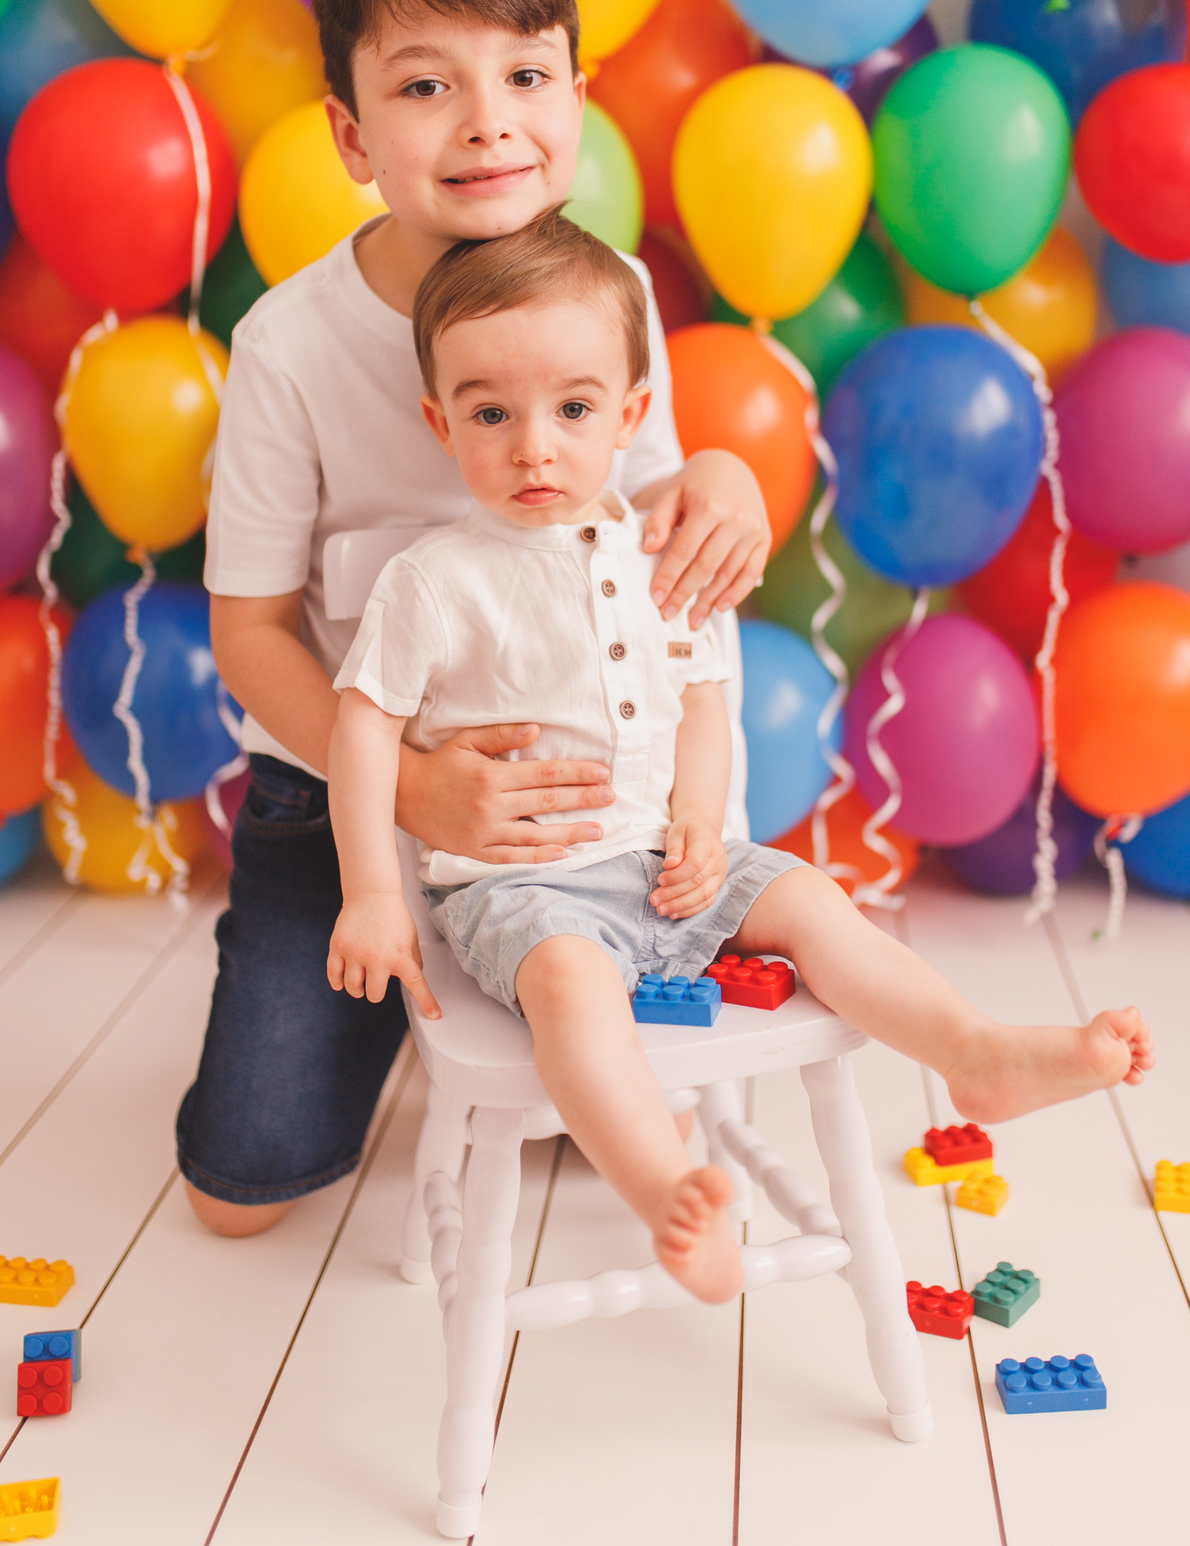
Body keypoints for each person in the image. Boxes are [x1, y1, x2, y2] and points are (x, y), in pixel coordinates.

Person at [327, 211, 1155, 1305]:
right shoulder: (437, 579)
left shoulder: (664, 553)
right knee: (573, 988)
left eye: (572, 410)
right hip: (524, 883)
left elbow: (703, 702)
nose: (534, 445)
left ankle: (975, 1052)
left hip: (672, 862)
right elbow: (362, 727)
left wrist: (701, 821)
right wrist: (372, 894)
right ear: (442, 422)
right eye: (492, 412)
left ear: (630, 416)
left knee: (813, 903)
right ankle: (667, 1185)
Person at [180, 0, 772, 1236]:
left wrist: (720, 473)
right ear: (351, 133)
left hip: (582, 815)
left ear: (577, 97)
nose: (489, 119)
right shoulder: (290, 343)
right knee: (242, 1192)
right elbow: (252, 629)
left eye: (524, 72)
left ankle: (510, 992)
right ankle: (387, 999)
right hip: (346, 798)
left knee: (590, 1117)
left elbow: (646, 515)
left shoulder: (611, 293)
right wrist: (409, 800)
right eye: (427, 85)